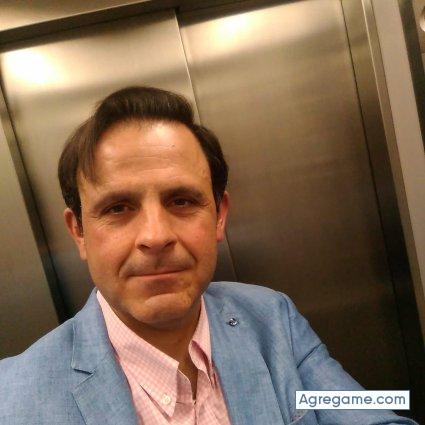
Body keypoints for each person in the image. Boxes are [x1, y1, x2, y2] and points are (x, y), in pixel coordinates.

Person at [0, 87, 417, 425]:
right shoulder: (12, 400)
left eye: (181, 201)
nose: (156, 236)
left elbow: (367, 412)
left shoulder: (271, 319)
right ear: (79, 232)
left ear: (219, 216)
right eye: (118, 208)